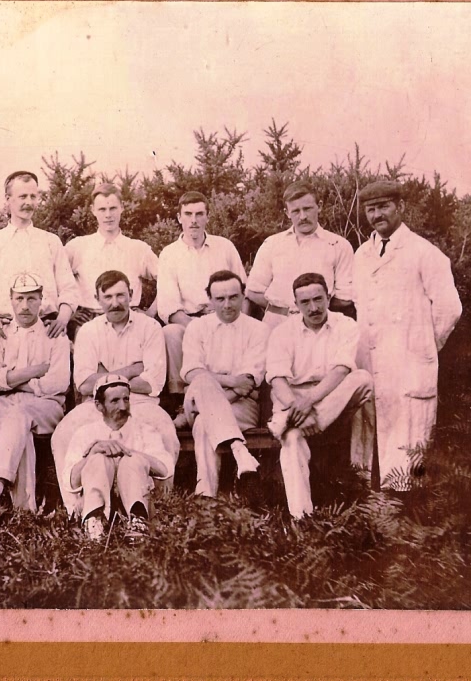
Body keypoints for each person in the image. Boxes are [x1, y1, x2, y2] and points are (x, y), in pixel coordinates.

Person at [352, 180, 462, 491]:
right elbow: (361, 304)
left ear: (400, 207)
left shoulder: (424, 253)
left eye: (384, 207)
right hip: (370, 361)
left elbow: (449, 308)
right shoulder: (362, 255)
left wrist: (424, 345)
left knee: (408, 452)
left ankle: (407, 520)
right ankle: (370, 517)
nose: (377, 214)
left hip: (409, 364)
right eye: (371, 209)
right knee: (368, 440)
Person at [51, 270, 179, 516]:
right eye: (107, 297)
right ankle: (78, 510)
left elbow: (153, 382)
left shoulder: (150, 327)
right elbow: (84, 385)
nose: (115, 302)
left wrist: (105, 375)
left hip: (141, 402)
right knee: (63, 434)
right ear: (98, 300)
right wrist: (133, 369)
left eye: (121, 295)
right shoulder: (88, 331)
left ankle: (159, 506)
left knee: (165, 432)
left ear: (131, 295)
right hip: (96, 405)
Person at [266, 273, 375, 518]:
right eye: (305, 302)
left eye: (318, 299)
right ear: (295, 305)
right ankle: (301, 517)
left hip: (331, 400)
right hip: (292, 400)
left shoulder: (346, 325)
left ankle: (291, 423)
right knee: (292, 440)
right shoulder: (283, 332)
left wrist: (310, 405)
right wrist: (298, 406)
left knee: (363, 378)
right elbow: (277, 379)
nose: (313, 308)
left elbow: (341, 370)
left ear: (329, 297)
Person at [0, 272, 71, 515]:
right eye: (19, 299)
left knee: (19, 415)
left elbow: (58, 383)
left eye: (31, 299)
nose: (25, 306)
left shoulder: (55, 334)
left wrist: (13, 379)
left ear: (41, 300)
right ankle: (25, 511)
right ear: (11, 299)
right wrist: (36, 371)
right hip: (8, 409)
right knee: (21, 430)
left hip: (47, 408)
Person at [180, 270, 271, 497]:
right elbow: (191, 372)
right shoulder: (197, 327)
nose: (227, 304)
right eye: (220, 299)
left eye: (233, 297)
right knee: (201, 380)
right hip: (200, 399)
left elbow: (249, 382)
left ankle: (206, 495)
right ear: (209, 299)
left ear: (243, 296)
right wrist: (230, 381)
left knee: (203, 423)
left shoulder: (259, 329)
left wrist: (210, 394)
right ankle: (240, 451)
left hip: (241, 406)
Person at [0, 170, 81, 340]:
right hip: (1, 332)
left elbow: (68, 289)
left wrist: (62, 320)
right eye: (22, 197)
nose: (29, 202)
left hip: (46, 330)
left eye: (33, 197)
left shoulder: (51, 242)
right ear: (8, 199)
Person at [63, 375, 176, 543]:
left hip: (138, 502)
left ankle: (138, 523)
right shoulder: (84, 433)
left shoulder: (144, 431)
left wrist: (130, 453)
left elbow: (166, 469)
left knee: (132, 460)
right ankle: (95, 523)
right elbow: (70, 482)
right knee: (98, 458)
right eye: (114, 401)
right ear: (99, 405)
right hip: (95, 503)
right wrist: (92, 453)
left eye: (126, 399)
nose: (123, 406)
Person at [156, 191, 247, 393]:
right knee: (170, 332)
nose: (194, 221)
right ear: (179, 218)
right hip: (188, 323)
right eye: (188, 214)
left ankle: (234, 391)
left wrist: (237, 321)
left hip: (225, 316)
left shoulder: (225, 247)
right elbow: (169, 306)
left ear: (207, 216)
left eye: (199, 214)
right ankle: (181, 397)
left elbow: (242, 290)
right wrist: (198, 328)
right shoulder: (169, 254)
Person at [246, 181, 355, 326]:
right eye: (296, 211)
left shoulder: (339, 245)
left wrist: (311, 310)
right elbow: (253, 291)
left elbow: (345, 297)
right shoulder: (272, 244)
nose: (303, 216)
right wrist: (282, 310)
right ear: (287, 213)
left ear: (320, 206)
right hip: (277, 326)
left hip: (320, 325)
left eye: (307, 209)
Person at [65, 182, 158, 335]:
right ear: (93, 210)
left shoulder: (138, 248)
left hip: (128, 316)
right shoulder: (77, 246)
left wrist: (150, 314)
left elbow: (167, 279)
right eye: (102, 209)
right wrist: (68, 314)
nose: (108, 215)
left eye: (113, 208)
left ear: (122, 207)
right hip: (88, 319)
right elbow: (55, 279)